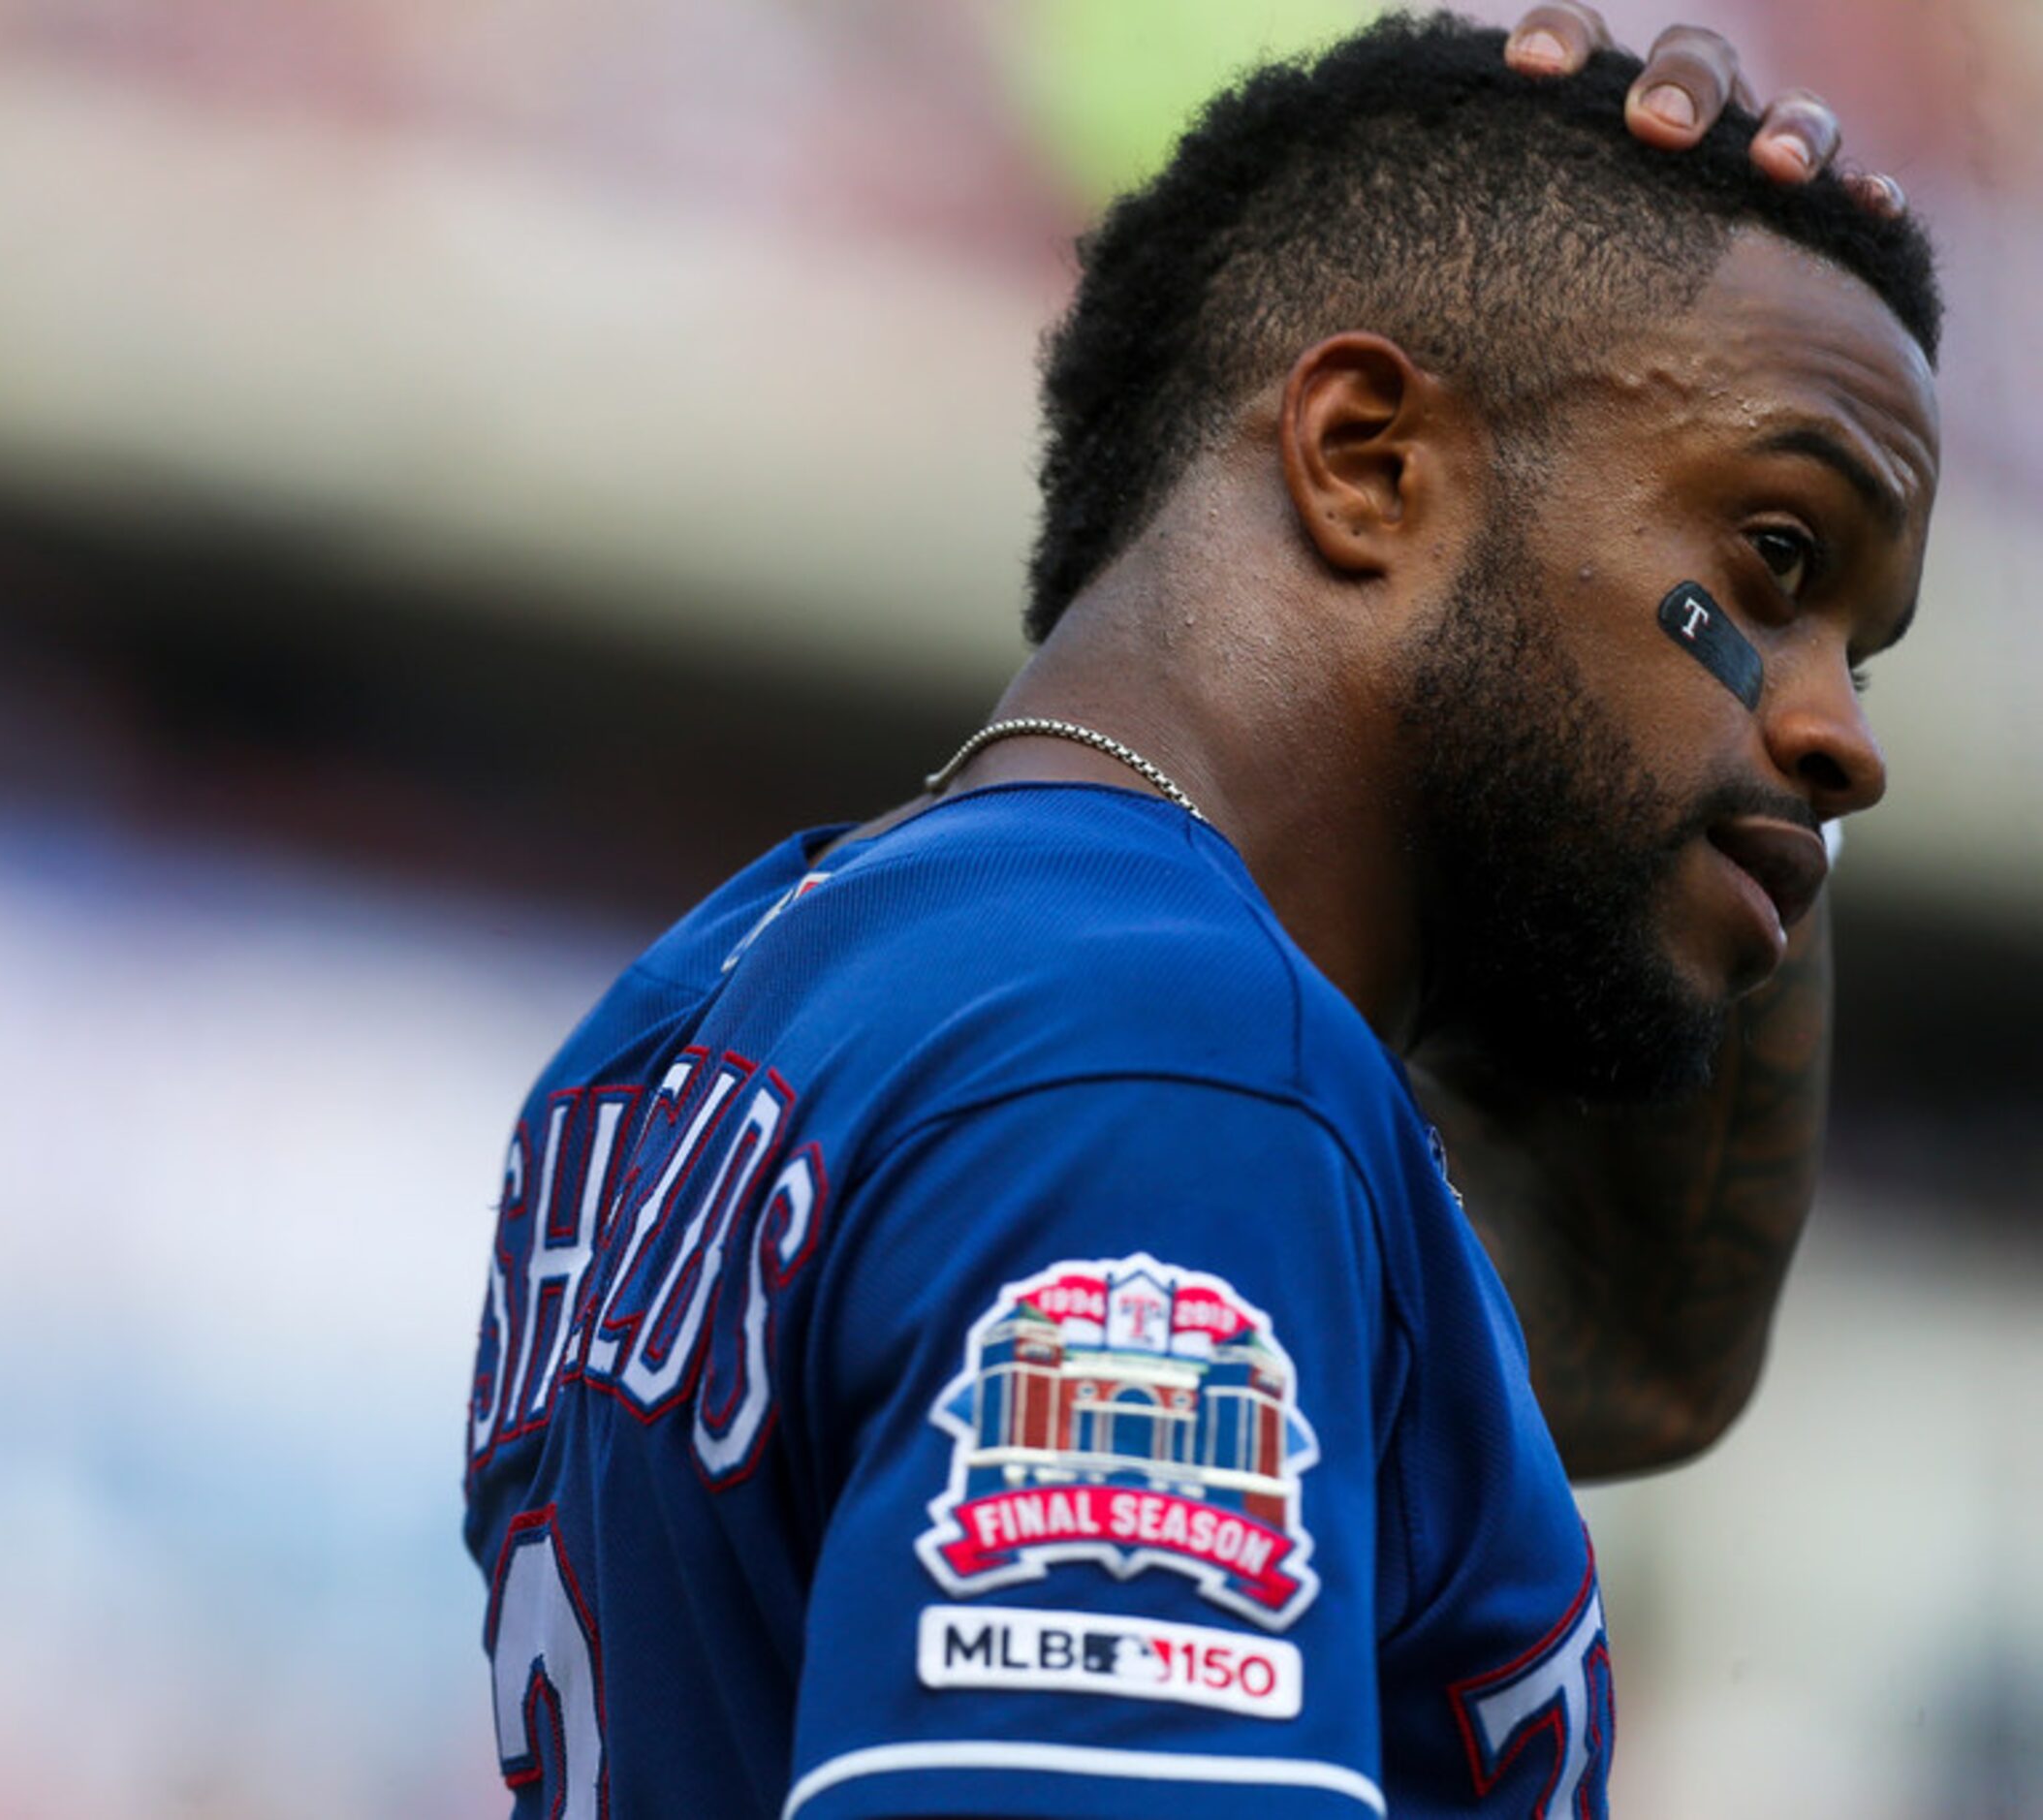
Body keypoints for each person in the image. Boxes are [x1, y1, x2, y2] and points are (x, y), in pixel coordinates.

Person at [462, 11, 1938, 1817]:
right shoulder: (1177, 1071)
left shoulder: (748, 984)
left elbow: (1635, 1359)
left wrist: (1751, 775)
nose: (1848, 744)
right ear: (1369, 458)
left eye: (1857, 652)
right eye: (1773, 561)